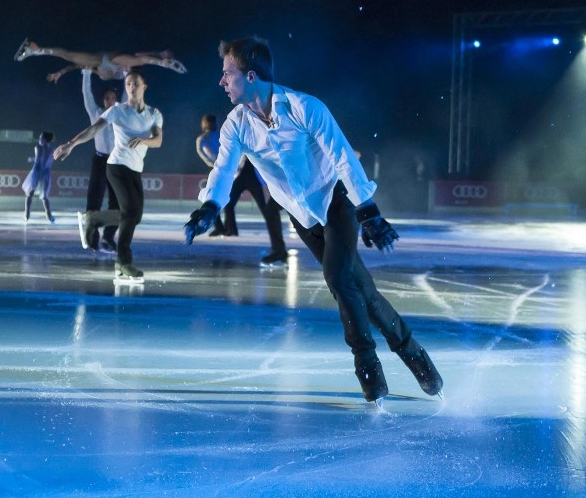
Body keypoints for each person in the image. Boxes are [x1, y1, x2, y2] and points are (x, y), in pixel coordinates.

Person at [185, 37, 443, 404]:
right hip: (303, 216)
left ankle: (368, 369)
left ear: (252, 76)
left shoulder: (306, 108)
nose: (221, 82)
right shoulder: (235, 125)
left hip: (335, 203)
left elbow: (342, 158)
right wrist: (209, 209)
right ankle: (415, 356)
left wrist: (368, 211)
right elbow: (224, 170)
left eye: (228, 74)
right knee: (362, 291)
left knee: (338, 278)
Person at [54, 69, 163, 281]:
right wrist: (71, 144)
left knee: (134, 216)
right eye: (128, 83)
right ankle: (123, 262)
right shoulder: (117, 111)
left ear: (144, 87)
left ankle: (94, 219)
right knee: (130, 212)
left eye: (135, 83)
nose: (131, 87)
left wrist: (143, 141)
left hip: (135, 169)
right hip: (116, 166)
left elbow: (158, 141)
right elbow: (93, 129)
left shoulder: (154, 114)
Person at [197, 114, 288, 266]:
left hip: (253, 174)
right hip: (241, 174)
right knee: (235, 204)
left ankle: (281, 250)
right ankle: (231, 230)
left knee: (271, 210)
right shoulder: (237, 133)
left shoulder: (262, 131)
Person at [15, 39, 187, 83]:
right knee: (138, 59)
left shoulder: (120, 75)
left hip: (103, 64)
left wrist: (60, 73)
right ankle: (35, 51)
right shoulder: (128, 63)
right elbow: (140, 57)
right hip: (108, 59)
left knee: (69, 56)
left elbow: (78, 65)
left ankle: (35, 51)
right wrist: (161, 58)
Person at [82, 69, 120, 252]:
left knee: (118, 203)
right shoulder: (96, 113)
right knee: (93, 202)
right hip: (99, 162)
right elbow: (87, 95)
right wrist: (86, 74)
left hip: (116, 163)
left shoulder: (121, 114)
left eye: (113, 97)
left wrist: (128, 72)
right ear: (103, 101)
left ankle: (108, 237)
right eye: (106, 98)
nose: (110, 101)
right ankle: (92, 237)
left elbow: (129, 97)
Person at [22, 132, 56, 223]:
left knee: (43, 196)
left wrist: (32, 159)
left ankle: (48, 215)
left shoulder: (47, 149)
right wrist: (34, 160)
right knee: (31, 193)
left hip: (42, 171)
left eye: (41, 138)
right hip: (40, 171)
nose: (39, 140)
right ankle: (27, 214)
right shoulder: (42, 148)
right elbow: (41, 160)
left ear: (46, 139)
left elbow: (40, 160)